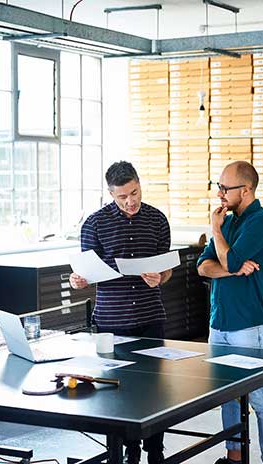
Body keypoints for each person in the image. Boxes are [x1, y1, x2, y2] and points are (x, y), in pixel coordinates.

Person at [69, 160, 172, 464]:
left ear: (140, 184)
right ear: (110, 194)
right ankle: (127, 453)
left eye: (135, 192)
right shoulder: (94, 224)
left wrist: (160, 276)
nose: (130, 201)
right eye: (122, 196)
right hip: (111, 323)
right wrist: (78, 281)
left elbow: (166, 270)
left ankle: (156, 451)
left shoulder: (157, 220)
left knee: (155, 392)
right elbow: (84, 277)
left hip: (151, 318)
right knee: (116, 393)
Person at [196, 161, 263, 464]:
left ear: (245, 190)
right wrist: (233, 269)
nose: (219, 193)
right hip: (219, 322)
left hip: (248, 324)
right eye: (218, 186)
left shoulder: (261, 222)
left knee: (258, 396)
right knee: (227, 395)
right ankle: (235, 458)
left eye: (224, 188)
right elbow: (203, 266)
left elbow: (226, 261)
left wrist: (216, 233)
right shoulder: (228, 220)